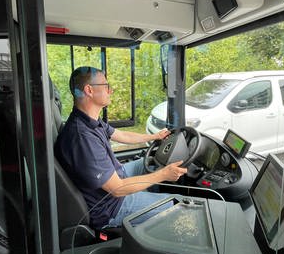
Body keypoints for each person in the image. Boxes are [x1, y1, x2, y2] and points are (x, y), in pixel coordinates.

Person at [54, 66, 187, 230]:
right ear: (89, 90)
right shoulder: (82, 137)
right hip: (110, 206)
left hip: (114, 180)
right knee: (180, 204)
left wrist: (154, 137)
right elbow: (117, 189)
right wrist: (164, 174)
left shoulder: (90, 121)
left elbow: (122, 136)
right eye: (106, 85)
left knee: (150, 163)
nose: (111, 90)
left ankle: (152, 199)